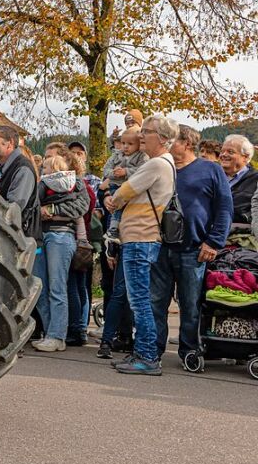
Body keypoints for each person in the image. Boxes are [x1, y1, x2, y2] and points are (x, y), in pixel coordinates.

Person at [102, 115, 178, 375]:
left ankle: (146, 356)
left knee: (139, 301)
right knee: (141, 299)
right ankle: (143, 352)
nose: (141, 134)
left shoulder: (156, 164)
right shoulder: (166, 163)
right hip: (145, 237)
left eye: (148, 131)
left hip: (139, 237)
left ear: (164, 139)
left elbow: (125, 190)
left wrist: (113, 200)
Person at [150, 125, 232, 367]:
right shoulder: (162, 167)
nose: (165, 144)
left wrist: (214, 242)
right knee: (156, 302)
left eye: (171, 140)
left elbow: (225, 208)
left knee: (190, 304)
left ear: (186, 143)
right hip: (159, 246)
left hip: (194, 248)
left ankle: (189, 351)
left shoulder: (211, 169)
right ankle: (153, 350)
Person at [32, 154, 90, 351]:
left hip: (61, 237)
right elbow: (32, 207)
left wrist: (52, 208)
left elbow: (82, 206)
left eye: (46, 166)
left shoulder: (77, 183)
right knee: (41, 287)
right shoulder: (43, 185)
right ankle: (50, 333)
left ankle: (57, 336)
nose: (43, 170)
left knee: (56, 287)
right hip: (44, 237)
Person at [65, 149, 96, 346]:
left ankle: (76, 328)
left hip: (77, 241)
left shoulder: (77, 187)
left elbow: (86, 208)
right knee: (80, 287)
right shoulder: (85, 187)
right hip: (82, 242)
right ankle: (80, 327)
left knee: (73, 287)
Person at [0, 126, 41, 239]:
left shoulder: (23, 168)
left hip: (21, 242)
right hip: (4, 236)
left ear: (10, 142)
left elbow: (12, 209)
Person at [218, 134, 257, 225]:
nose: (224, 155)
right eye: (222, 151)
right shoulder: (213, 177)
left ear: (246, 157)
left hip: (240, 234)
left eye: (230, 152)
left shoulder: (255, 180)